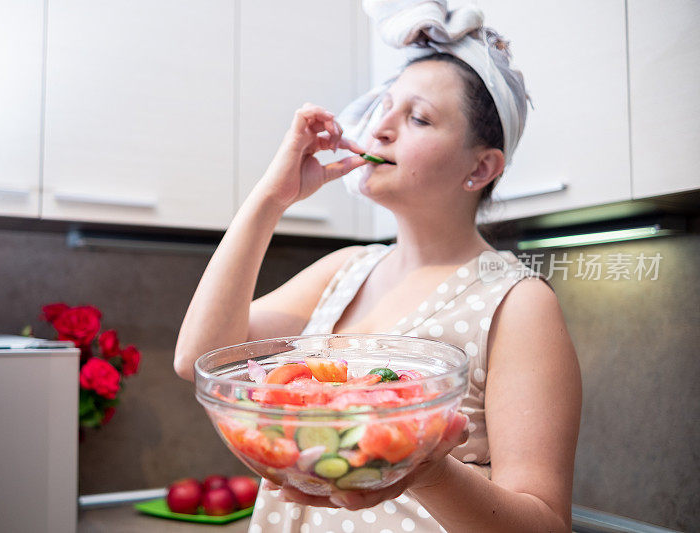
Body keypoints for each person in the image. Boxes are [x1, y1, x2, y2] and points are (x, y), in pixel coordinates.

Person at [174, 2, 581, 531]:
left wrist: (428, 467)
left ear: (481, 167)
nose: (380, 129)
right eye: (383, 108)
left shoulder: (516, 302)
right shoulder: (345, 270)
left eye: (418, 117)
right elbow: (199, 359)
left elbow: (546, 525)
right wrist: (271, 199)